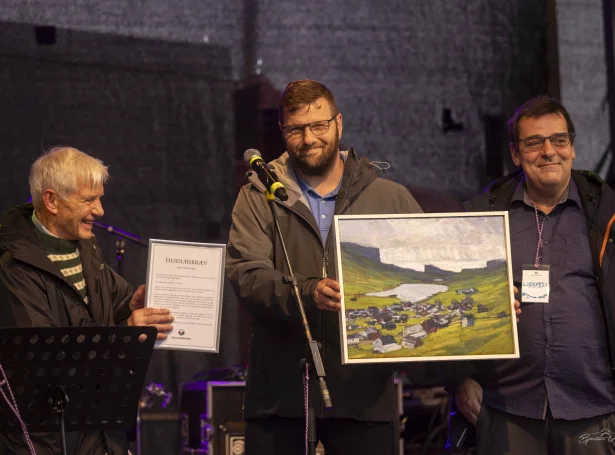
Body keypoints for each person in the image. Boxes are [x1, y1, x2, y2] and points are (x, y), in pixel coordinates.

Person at [226, 79, 423, 454]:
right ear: (283, 131)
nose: (309, 138)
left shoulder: (388, 196)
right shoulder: (258, 194)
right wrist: (307, 290)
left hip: (365, 396)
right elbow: (245, 274)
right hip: (281, 397)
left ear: (339, 124)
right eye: (296, 129)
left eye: (319, 125)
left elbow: (429, 269)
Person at [448, 95, 615, 454]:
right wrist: (458, 379)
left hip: (594, 407)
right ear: (515, 153)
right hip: (507, 409)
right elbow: (448, 304)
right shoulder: (481, 220)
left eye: (559, 140)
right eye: (534, 142)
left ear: (572, 147)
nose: (548, 151)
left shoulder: (607, 216)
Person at [0, 146, 174, 455]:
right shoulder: (13, 265)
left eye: (100, 198)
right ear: (52, 200)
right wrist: (126, 334)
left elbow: (113, 308)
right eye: (88, 200)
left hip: (98, 435)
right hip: (47, 443)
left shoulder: (86, 248)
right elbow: (48, 359)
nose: (100, 211)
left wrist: (134, 306)